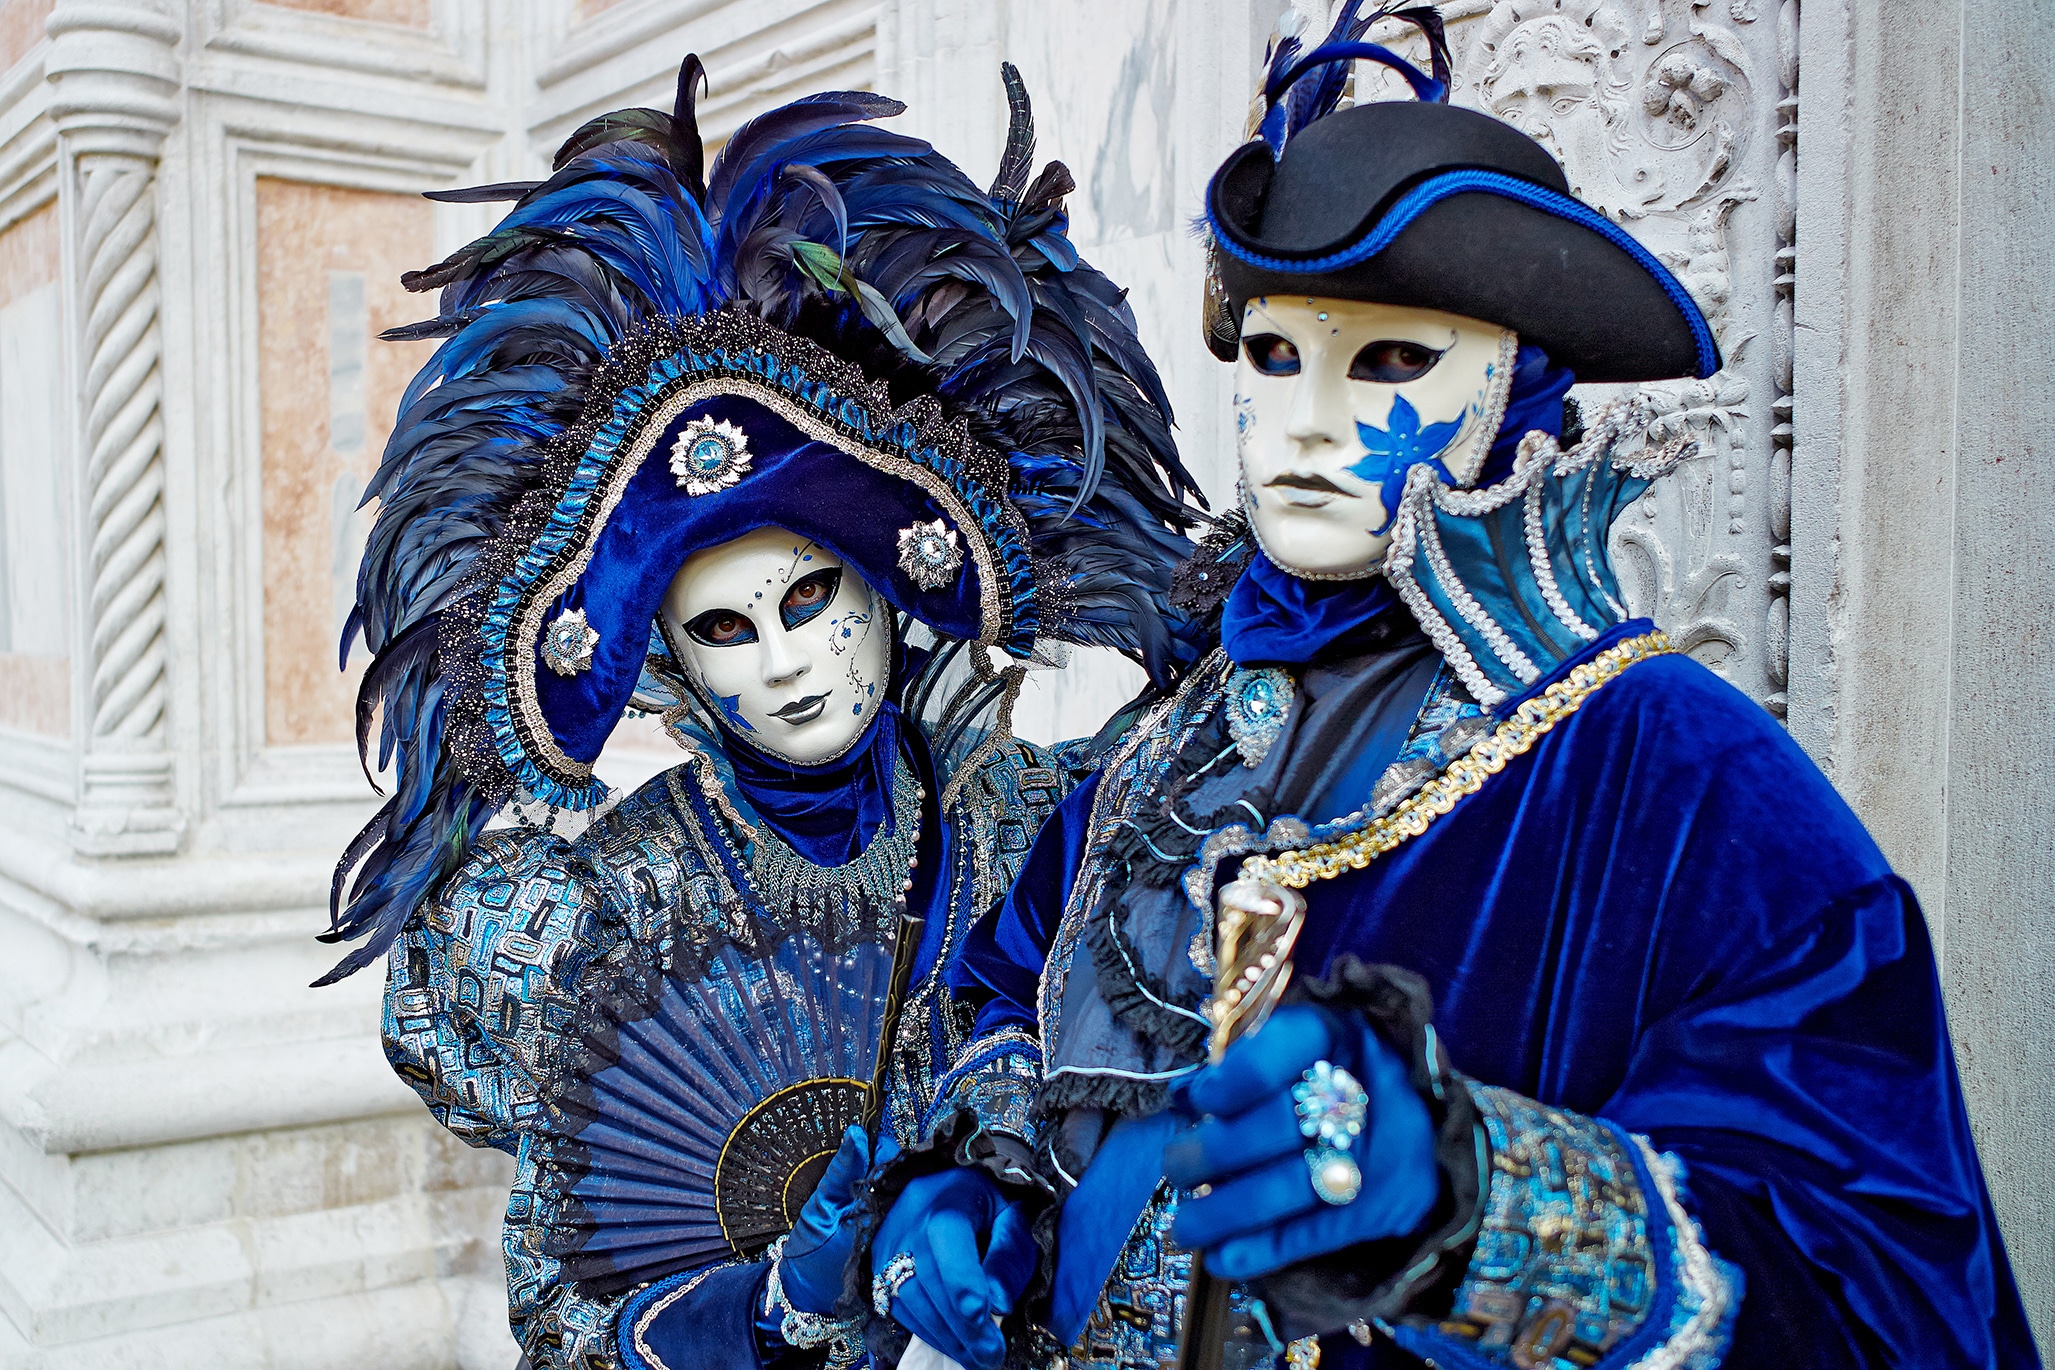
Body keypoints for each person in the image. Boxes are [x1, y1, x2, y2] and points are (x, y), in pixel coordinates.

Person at [895, 9, 2041, 1370]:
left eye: (1390, 360)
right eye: (1275, 354)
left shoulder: (1680, 777)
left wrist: (1474, 1204)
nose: (1307, 421)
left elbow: (1877, 1289)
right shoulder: (1162, 750)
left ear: (1519, 384)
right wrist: (973, 1187)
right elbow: (1010, 991)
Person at [318, 58, 1203, 1369]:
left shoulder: (1042, 827)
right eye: (727, 629)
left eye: (810, 598)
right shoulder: (616, 909)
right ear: (668, 658)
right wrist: (779, 1304)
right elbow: (575, 1325)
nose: (787, 663)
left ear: (890, 586)